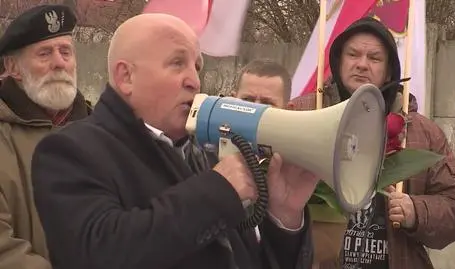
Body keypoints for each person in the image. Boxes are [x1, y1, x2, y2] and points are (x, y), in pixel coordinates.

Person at [31, 13, 318, 269]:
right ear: (126, 76)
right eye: (177, 63)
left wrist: (284, 217)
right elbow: (98, 252)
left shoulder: (208, 154)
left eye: (196, 66)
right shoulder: (70, 151)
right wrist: (217, 192)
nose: (194, 80)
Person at [291, 17, 455, 269]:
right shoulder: (302, 114)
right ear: (338, 62)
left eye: (374, 58)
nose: (362, 64)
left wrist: (416, 211)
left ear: (389, 71)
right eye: (353, 54)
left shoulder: (421, 132)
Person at [0, 4, 91, 269]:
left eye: (66, 52)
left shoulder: (104, 131)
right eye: (44, 54)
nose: (59, 63)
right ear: (13, 67)